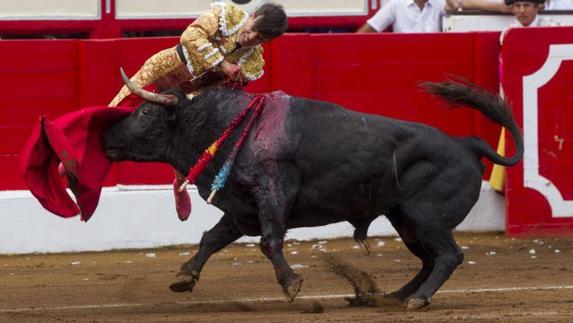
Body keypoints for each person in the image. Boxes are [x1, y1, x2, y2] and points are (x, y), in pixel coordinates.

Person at [109, 2, 288, 220]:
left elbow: (224, 93)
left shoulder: (253, 62)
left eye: (259, 38)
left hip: (191, 96)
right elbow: (190, 37)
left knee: (182, 144)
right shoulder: (227, 16)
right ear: (252, 16)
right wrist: (224, 66)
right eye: (252, 30)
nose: (251, 38)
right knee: (115, 110)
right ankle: (79, 150)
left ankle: (180, 184)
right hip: (166, 69)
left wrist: (233, 81)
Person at [356, 0, 510, 33]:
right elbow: (366, 31)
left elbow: (455, 6)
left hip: (432, 56)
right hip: (404, 59)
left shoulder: (436, 3)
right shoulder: (396, 5)